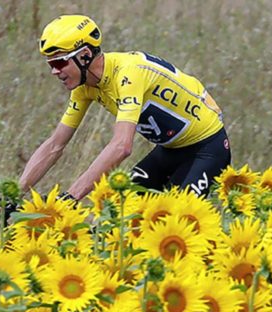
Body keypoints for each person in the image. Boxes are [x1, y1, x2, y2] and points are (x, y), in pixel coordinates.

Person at [19, 15, 232, 201]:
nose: (54, 72)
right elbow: (55, 145)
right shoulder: (84, 88)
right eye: (50, 65)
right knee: (119, 215)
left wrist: (72, 196)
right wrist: (13, 195)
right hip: (170, 150)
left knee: (179, 221)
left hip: (207, 148)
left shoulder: (128, 74)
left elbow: (122, 146)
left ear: (84, 56)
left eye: (58, 64)